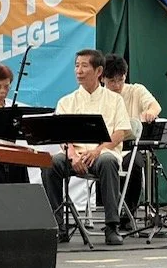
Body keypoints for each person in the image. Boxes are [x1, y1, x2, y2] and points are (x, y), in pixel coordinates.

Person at [41, 49, 131, 245]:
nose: (79, 71)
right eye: (76, 66)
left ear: (98, 71)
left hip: (102, 154)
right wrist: (73, 156)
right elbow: (62, 135)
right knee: (50, 164)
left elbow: (120, 133)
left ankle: (112, 226)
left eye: (84, 66)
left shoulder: (115, 100)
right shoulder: (66, 101)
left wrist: (97, 151)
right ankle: (58, 226)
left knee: (108, 161)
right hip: (75, 155)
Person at [103, 54, 161, 229]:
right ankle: (112, 213)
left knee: (135, 163)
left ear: (125, 76)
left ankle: (129, 213)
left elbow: (155, 106)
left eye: (120, 80)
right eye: (112, 81)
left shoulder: (136, 91)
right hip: (106, 147)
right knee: (107, 163)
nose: (117, 86)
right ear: (102, 78)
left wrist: (150, 112)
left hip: (130, 147)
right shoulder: (100, 97)